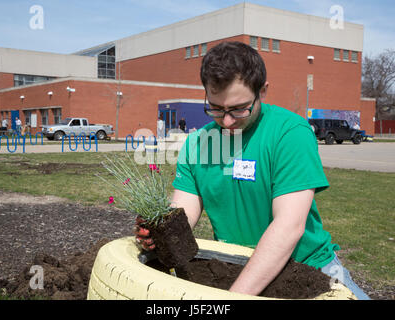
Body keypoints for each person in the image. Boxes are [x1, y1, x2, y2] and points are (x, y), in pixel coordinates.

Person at [135, 41, 370, 300]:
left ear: (263, 91)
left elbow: (288, 226)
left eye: (238, 109)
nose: (226, 121)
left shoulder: (290, 133)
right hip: (236, 268)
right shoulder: (198, 143)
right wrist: (162, 231)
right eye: (216, 107)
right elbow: (184, 213)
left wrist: (231, 299)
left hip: (308, 269)